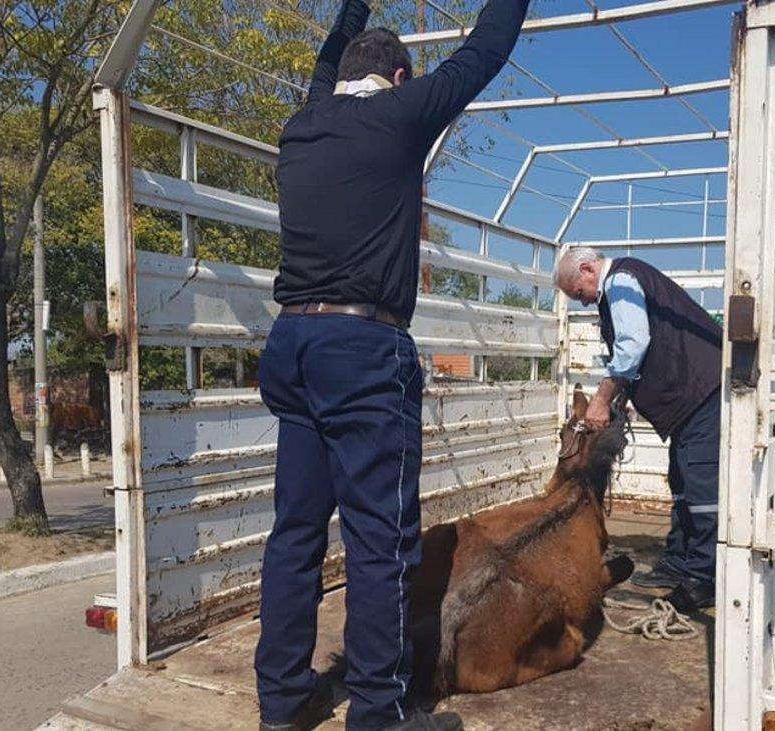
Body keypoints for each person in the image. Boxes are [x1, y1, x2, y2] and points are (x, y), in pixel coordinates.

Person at [255, 0, 529, 728]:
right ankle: (376, 713)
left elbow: (323, 68)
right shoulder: (401, 115)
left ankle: (282, 700)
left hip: (293, 345)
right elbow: (488, 48)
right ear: (399, 76)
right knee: (380, 543)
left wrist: (350, 10)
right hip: (361, 350)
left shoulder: (303, 124)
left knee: (295, 534)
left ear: (344, 77)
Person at [553, 247, 722, 612]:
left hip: (702, 390)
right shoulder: (625, 282)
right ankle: (681, 560)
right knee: (681, 479)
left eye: (578, 293)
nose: (582, 303)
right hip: (691, 397)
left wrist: (601, 400)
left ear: (586, 268)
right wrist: (622, 399)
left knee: (701, 484)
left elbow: (633, 344)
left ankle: (706, 578)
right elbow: (643, 349)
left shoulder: (622, 281)